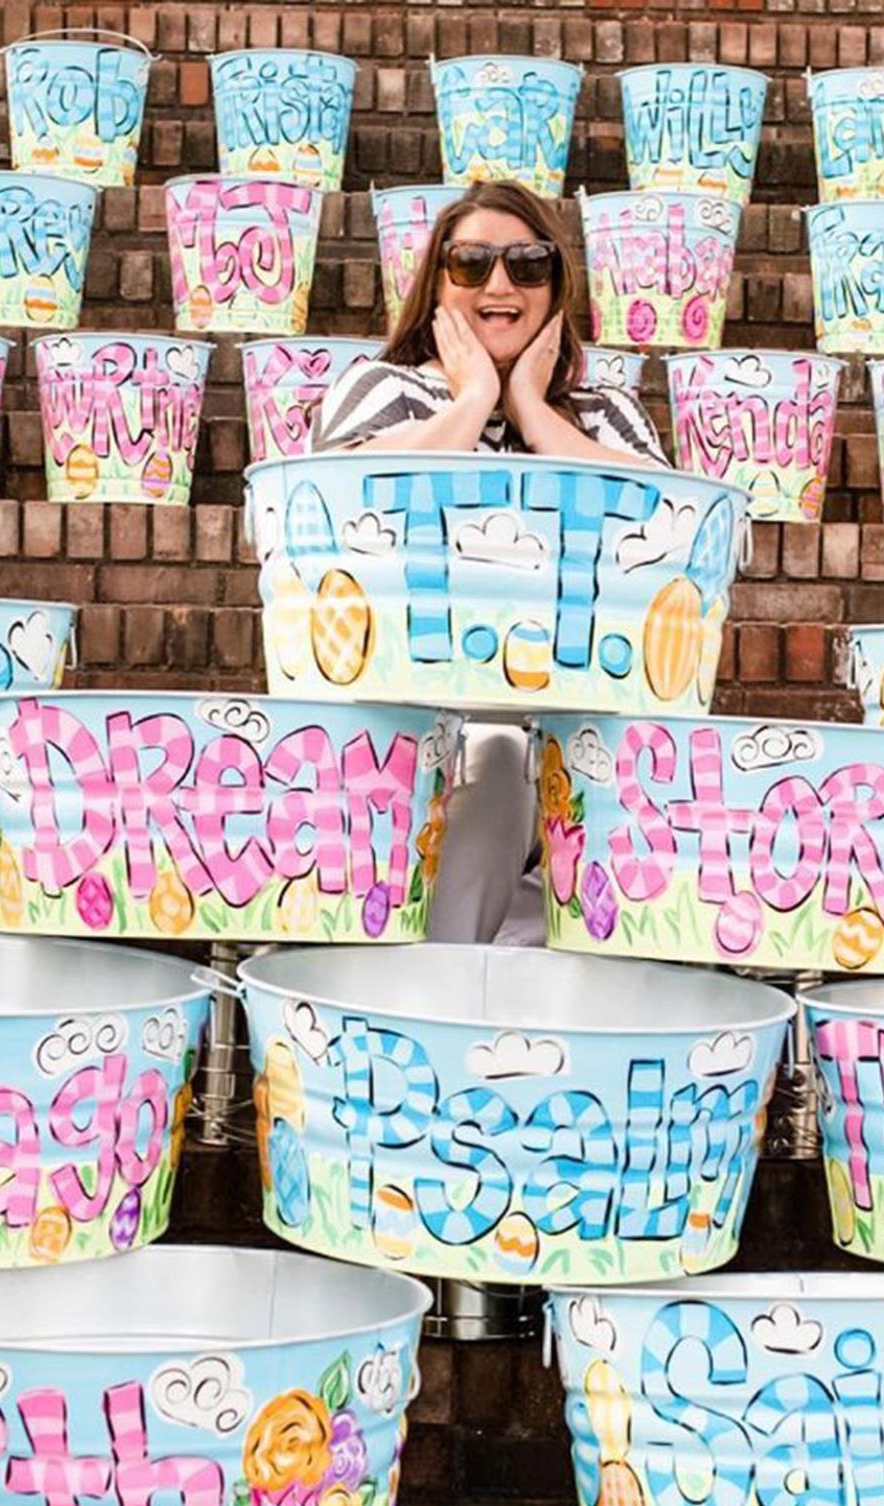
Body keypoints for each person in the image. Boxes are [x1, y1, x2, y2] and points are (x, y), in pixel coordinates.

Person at [312, 183, 667, 946]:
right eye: (471, 265)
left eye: (527, 264)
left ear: (556, 287)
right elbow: (336, 494)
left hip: (582, 719)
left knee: (528, 761)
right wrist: (474, 398)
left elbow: (664, 523)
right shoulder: (383, 391)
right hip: (411, 719)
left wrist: (536, 412)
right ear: (437, 285)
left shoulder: (606, 414)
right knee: (499, 759)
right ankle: (441, 986)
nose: (500, 285)